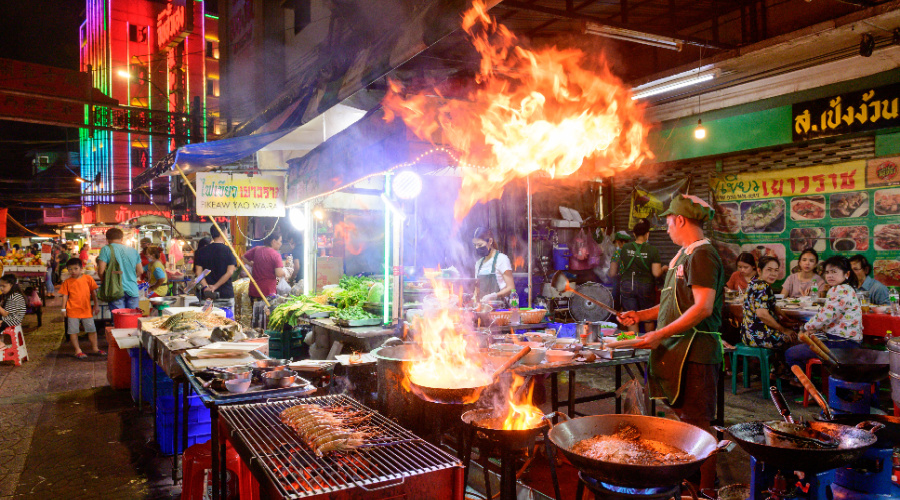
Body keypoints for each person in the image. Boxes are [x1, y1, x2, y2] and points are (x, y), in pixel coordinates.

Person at [618, 194, 723, 490]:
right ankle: (688, 478)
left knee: (700, 425)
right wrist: (639, 315)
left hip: (696, 351)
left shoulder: (702, 255)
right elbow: (669, 306)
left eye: (667, 221)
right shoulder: (683, 255)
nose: (666, 228)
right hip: (678, 350)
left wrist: (659, 334)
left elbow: (702, 308)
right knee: (683, 420)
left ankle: (706, 488)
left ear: (680, 220)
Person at [786, 255, 863, 368]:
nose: (830, 276)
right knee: (805, 342)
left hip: (840, 343)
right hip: (848, 341)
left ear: (847, 274)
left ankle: (801, 383)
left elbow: (826, 316)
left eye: (834, 272)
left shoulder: (839, 289)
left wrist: (806, 327)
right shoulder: (848, 288)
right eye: (827, 272)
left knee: (790, 353)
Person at [608, 218, 666, 333]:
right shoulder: (652, 250)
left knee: (630, 318)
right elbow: (656, 273)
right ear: (647, 234)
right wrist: (664, 269)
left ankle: (634, 347)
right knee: (648, 318)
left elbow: (613, 272)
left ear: (634, 234)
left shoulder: (624, 248)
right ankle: (647, 347)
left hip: (627, 286)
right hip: (646, 287)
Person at [741, 256, 796, 349]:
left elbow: (773, 306)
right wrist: (784, 330)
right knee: (796, 338)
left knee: (793, 329)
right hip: (760, 336)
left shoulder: (755, 282)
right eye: (769, 270)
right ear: (759, 270)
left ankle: (778, 362)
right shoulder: (761, 287)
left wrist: (787, 319)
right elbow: (762, 314)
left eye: (776, 270)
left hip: (748, 334)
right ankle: (783, 363)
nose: (773, 274)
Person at [60, 258, 103, 359]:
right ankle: (77, 350)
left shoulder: (88, 279)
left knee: (92, 329)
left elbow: (93, 293)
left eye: (75, 268)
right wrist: (63, 309)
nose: (73, 271)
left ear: (81, 268)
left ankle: (95, 348)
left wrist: (96, 305)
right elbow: (65, 296)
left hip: (86, 309)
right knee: (73, 331)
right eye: (70, 269)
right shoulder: (67, 282)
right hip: (72, 310)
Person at [97, 228, 143, 311]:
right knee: (132, 319)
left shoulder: (106, 249)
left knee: (119, 319)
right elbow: (140, 271)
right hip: (132, 289)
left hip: (115, 290)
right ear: (122, 238)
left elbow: (101, 271)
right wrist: (130, 277)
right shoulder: (133, 250)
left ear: (107, 239)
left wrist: (104, 280)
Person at [194, 226, 237, 307]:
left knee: (207, 318)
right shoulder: (228, 250)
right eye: (226, 232)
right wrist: (215, 286)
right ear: (222, 233)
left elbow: (198, 272)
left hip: (207, 296)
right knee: (226, 318)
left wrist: (206, 286)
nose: (227, 235)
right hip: (225, 295)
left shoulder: (202, 251)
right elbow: (230, 272)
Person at [471, 227, 515, 304]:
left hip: (499, 309)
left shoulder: (502, 259)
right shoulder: (478, 264)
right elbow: (476, 290)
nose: (477, 248)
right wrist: (471, 299)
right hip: (483, 310)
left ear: (490, 241)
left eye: (479, 245)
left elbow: (511, 288)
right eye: (475, 245)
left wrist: (494, 295)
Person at [242, 232, 285, 303]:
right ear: (274, 241)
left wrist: (250, 263)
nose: (281, 244)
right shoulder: (276, 255)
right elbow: (279, 273)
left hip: (254, 290)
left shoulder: (257, 249)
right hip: (268, 292)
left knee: (255, 312)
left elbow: (243, 257)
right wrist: (286, 272)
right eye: (280, 241)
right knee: (267, 313)